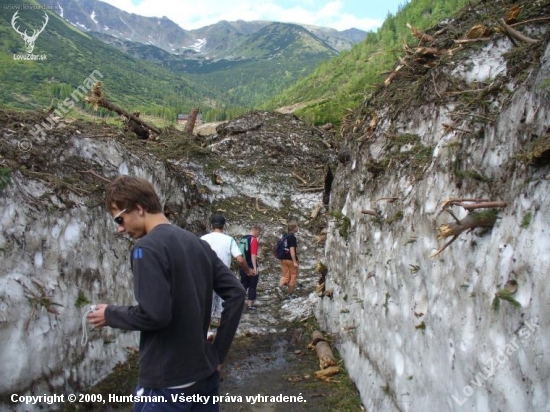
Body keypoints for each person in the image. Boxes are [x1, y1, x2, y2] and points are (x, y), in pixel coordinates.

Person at [87, 176, 245, 412]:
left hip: (167, 384)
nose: (120, 228)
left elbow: (154, 315)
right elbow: (237, 293)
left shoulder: (147, 249)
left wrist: (111, 314)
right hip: (203, 376)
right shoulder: (197, 244)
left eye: (120, 219)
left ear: (139, 208)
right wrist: (217, 354)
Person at [201, 214, 252, 323]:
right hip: (223, 278)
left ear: (211, 225)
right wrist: (248, 271)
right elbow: (240, 259)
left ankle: (207, 334)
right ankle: (220, 334)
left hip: (206, 277)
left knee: (206, 308)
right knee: (222, 310)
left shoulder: (203, 239)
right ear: (224, 226)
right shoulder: (229, 240)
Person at [239, 224, 262, 311]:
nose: (259, 235)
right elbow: (253, 255)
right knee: (252, 286)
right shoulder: (254, 240)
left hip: (242, 266)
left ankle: (239, 303)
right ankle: (249, 305)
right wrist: (255, 267)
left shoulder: (243, 238)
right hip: (251, 266)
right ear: (256, 231)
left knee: (243, 285)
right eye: (259, 233)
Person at [279, 221, 300, 298]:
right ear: (294, 228)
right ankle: (290, 294)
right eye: (297, 226)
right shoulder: (292, 237)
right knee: (293, 275)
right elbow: (292, 250)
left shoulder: (284, 236)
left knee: (285, 275)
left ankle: (279, 287)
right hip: (291, 260)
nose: (298, 228)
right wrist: (294, 261)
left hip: (283, 259)